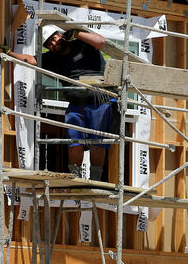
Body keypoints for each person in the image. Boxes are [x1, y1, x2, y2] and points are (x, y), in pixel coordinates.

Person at [7, 25, 117, 181]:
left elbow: (100, 42)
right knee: (73, 142)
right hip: (75, 104)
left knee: (97, 142)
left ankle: (95, 179)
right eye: (48, 44)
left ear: (60, 35)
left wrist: (77, 33)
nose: (53, 44)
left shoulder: (83, 46)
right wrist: (8, 53)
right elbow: (30, 60)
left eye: (53, 39)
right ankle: (75, 177)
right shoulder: (53, 58)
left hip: (98, 100)